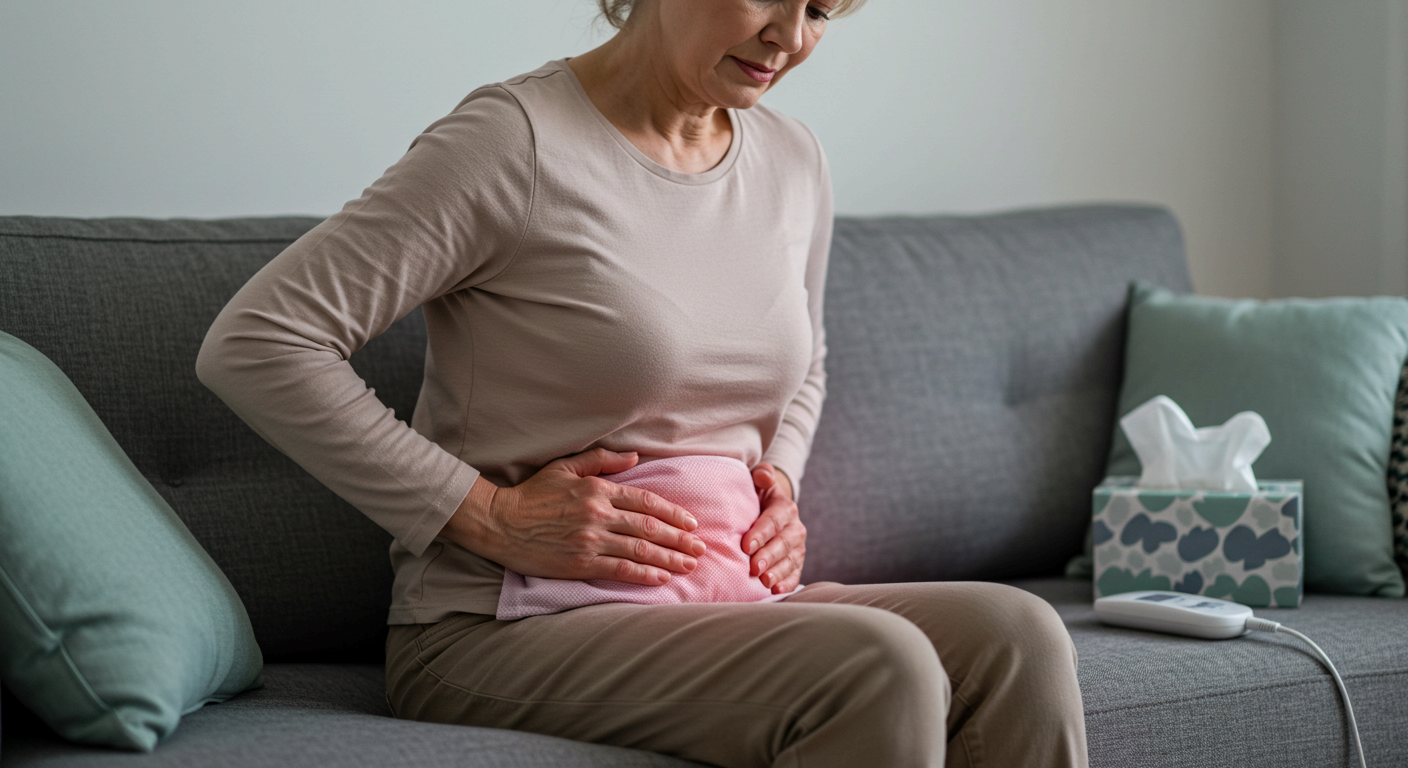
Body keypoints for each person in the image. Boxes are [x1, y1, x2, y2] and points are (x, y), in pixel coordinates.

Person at [197, 0, 1090, 765]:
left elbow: (805, 360)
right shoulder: (515, 142)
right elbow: (261, 340)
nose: (790, 37)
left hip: (723, 599)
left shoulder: (792, 159)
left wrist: (779, 481)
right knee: (879, 661)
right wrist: (488, 514)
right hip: (504, 627)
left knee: (1019, 637)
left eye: (822, 10)